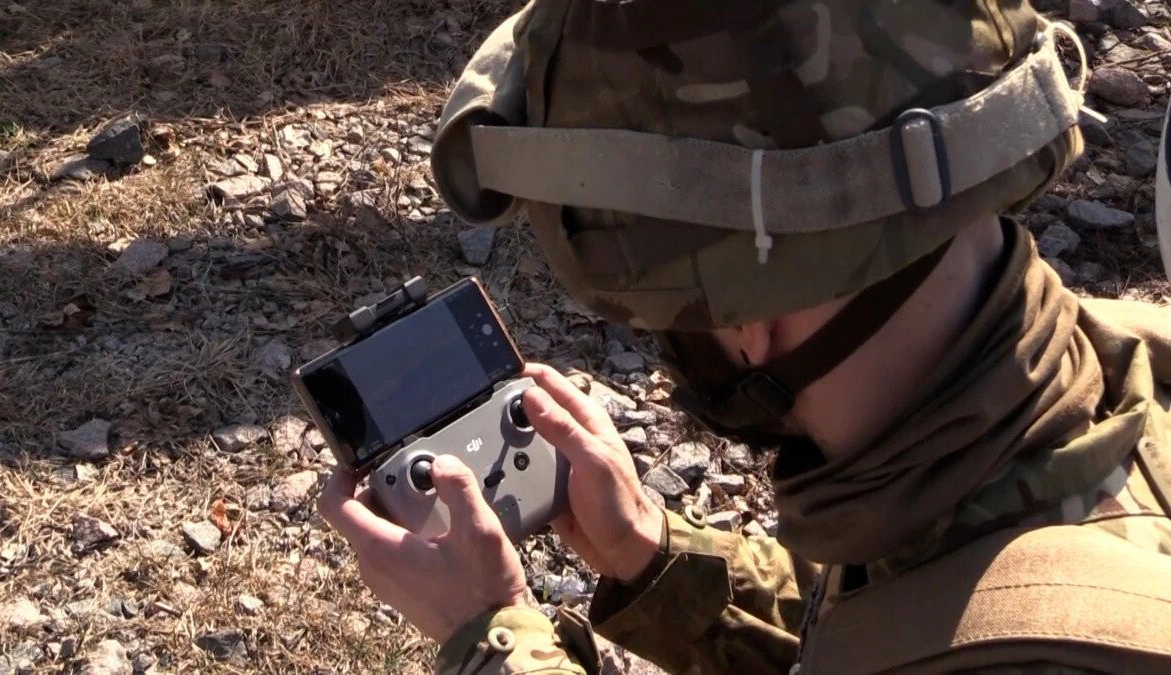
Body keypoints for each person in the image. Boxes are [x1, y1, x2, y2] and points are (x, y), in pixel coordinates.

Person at [320, 0, 1171, 673]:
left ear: (742, 321)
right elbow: (922, 620)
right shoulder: (1118, 386)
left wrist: (489, 633)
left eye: (665, 319)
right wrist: (656, 560)